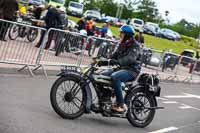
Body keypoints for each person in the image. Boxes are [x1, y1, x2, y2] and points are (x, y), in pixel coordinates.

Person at [98, 25, 142, 113]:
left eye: (121, 33)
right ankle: (105, 99)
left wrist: (117, 62)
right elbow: (114, 56)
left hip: (132, 70)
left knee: (115, 77)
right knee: (100, 76)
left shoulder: (135, 45)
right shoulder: (122, 44)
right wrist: (103, 61)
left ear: (127, 34)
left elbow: (131, 58)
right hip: (121, 68)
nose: (120, 34)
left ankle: (120, 105)